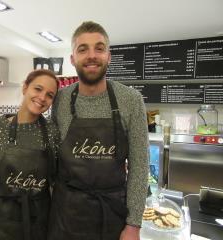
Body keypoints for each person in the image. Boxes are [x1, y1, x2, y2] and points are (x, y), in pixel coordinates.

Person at [48, 21, 149, 240]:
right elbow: (50, 157)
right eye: (83, 49)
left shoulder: (131, 100)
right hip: (65, 215)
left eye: (99, 48)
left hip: (112, 216)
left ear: (109, 56)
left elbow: (140, 167)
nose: (92, 55)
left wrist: (133, 225)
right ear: (73, 58)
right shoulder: (60, 100)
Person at [0, 69, 59, 240]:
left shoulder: (52, 132)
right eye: (38, 89)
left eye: (50, 95)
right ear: (25, 88)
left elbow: (56, 183)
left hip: (38, 224)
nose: (42, 97)